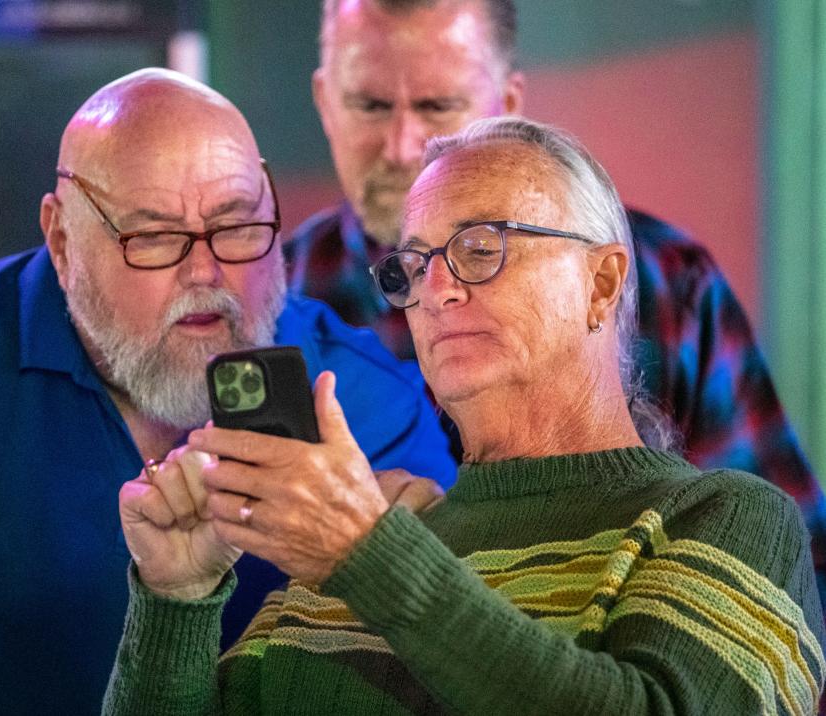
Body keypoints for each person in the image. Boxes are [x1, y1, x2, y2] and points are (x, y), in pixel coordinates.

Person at [104, 117, 825, 715]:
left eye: (481, 249)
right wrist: (177, 600)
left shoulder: (726, 519)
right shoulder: (358, 548)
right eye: (412, 268)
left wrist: (366, 552)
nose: (437, 290)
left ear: (601, 283)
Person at [0, 68, 456, 716]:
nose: (205, 271)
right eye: (153, 238)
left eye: (236, 227)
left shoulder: (364, 402)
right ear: (62, 240)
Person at [284, 0, 826, 598]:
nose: (402, 145)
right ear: (323, 100)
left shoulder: (667, 279)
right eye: (370, 105)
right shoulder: (282, 295)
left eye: (439, 106)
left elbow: (787, 578)